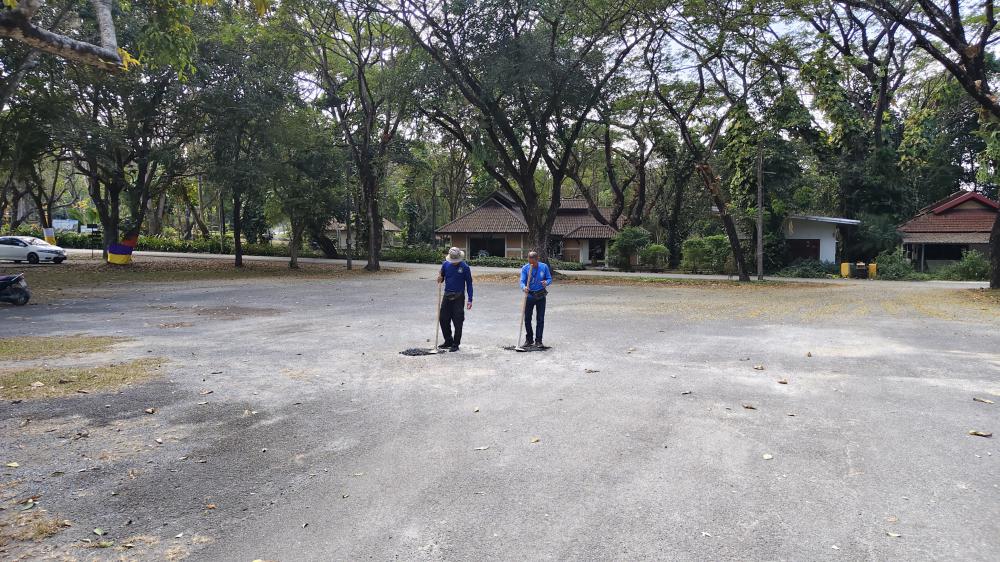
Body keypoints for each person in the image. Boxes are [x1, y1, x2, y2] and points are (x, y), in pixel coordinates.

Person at [437, 247, 473, 352]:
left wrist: (470, 299)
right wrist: (440, 278)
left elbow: (469, 284)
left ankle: (456, 343)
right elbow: (441, 278)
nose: (455, 262)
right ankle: (448, 340)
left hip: (459, 296)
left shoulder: (465, 267)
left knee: (458, 320)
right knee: (443, 318)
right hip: (447, 294)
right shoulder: (445, 264)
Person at [520, 250, 553, 348]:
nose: (532, 265)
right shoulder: (525, 268)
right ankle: (529, 339)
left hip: (540, 294)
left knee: (540, 319)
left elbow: (549, 278)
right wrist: (524, 287)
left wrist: (546, 282)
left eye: (533, 263)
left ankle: (538, 341)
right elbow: (522, 281)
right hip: (529, 295)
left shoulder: (544, 267)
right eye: (530, 262)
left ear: (537, 259)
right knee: (527, 318)